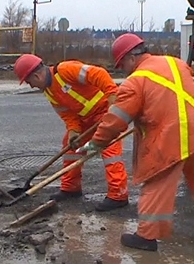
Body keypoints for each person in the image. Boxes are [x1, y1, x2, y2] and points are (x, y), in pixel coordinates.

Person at [79, 33, 194, 251]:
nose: (123, 69)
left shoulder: (134, 82)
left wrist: (97, 142)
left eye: (122, 64)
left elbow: (116, 120)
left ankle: (146, 236)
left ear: (131, 57)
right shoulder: (174, 62)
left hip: (170, 134)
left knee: (157, 182)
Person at [13, 54, 129, 212]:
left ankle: (118, 195)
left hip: (105, 112)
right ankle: (71, 187)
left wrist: (112, 96)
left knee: (110, 150)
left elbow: (99, 74)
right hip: (85, 121)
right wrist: (74, 130)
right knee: (70, 146)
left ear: (36, 75)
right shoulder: (49, 91)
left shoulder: (66, 70)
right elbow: (67, 114)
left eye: (29, 82)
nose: (31, 86)